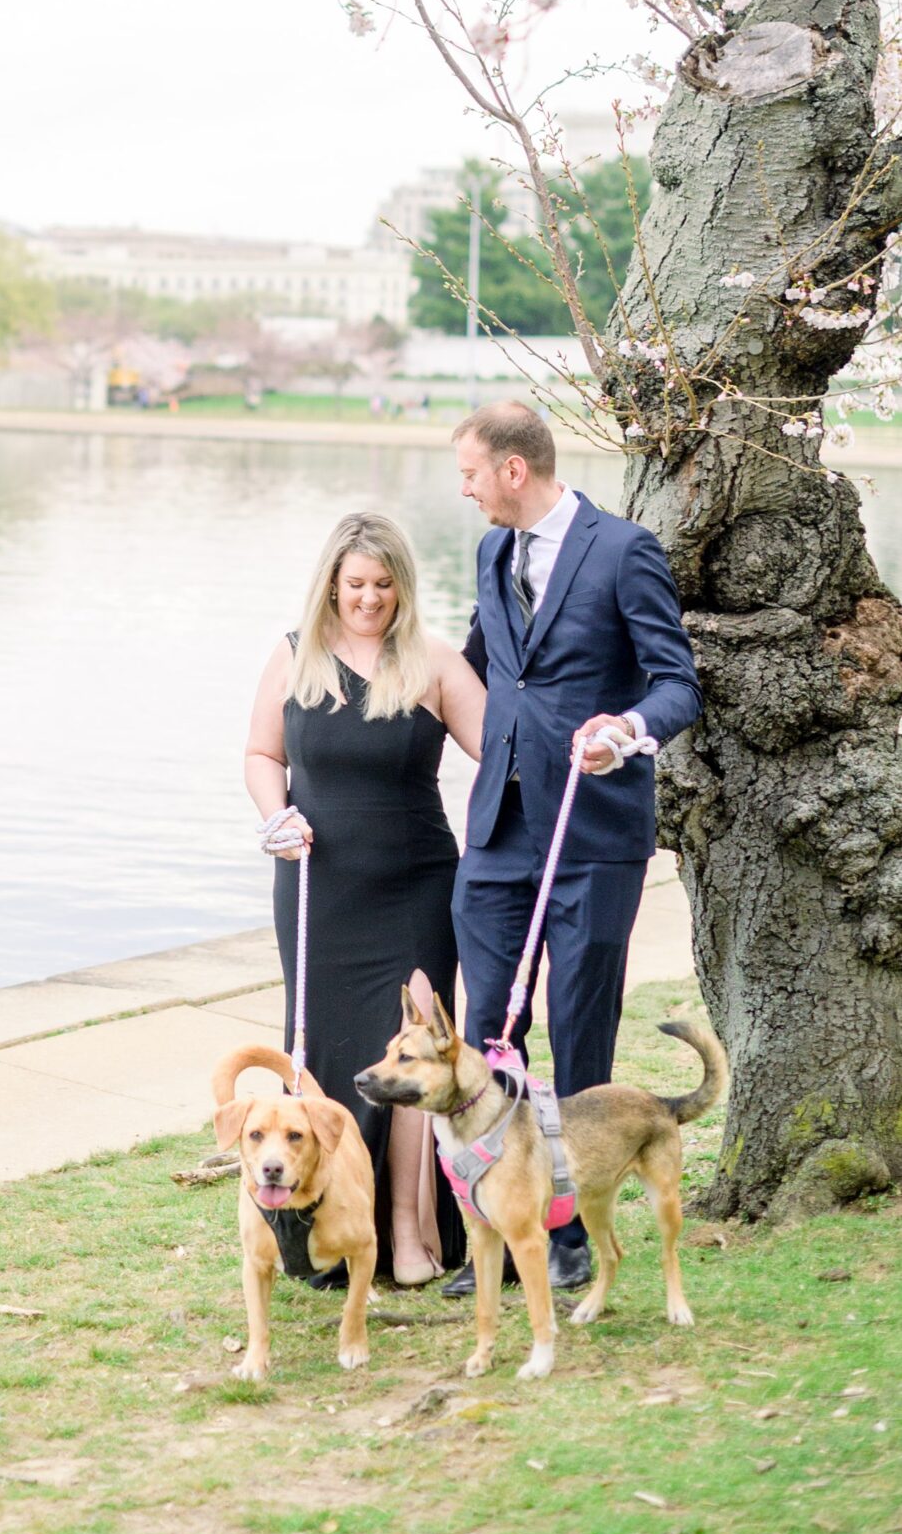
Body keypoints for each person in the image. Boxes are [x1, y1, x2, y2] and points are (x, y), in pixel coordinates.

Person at [444, 400, 702, 1298]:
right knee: (487, 1031)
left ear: (514, 469)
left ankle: (568, 1237)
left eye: (471, 473)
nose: (465, 490)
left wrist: (624, 733)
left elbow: (676, 685)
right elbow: (479, 671)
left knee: (579, 1026)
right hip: (496, 831)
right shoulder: (489, 552)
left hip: (592, 835)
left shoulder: (624, 549)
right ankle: (494, 1228)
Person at [245, 510, 486, 1286]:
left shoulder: (434, 663)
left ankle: (409, 1235)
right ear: (331, 584)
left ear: (401, 587)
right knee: (322, 1048)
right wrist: (273, 815)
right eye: (354, 584)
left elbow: (503, 750)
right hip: (319, 889)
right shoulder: (293, 657)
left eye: (383, 584)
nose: (368, 598)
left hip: (416, 885)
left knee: (414, 1055)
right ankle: (318, 1228)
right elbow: (259, 754)